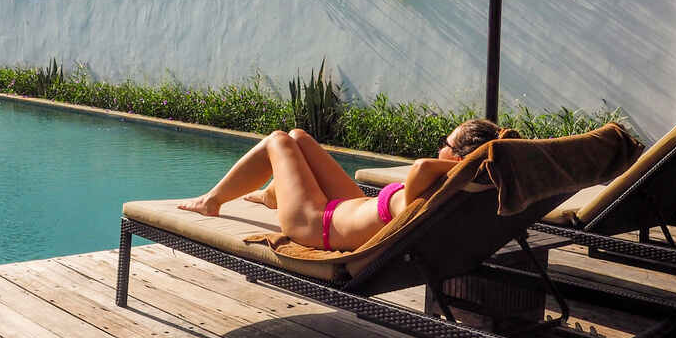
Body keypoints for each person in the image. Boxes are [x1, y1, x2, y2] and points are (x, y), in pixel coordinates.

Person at [177, 119, 502, 251]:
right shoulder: (460, 186)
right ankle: (274, 193)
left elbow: (420, 167)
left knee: (278, 141)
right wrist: (472, 165)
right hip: (351, 208)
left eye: (446, 143)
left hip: (317, 224)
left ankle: (213, 200)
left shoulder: (437, 181)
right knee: (298, 137)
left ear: (460, 160)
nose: (439, 148)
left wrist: (466, 165)